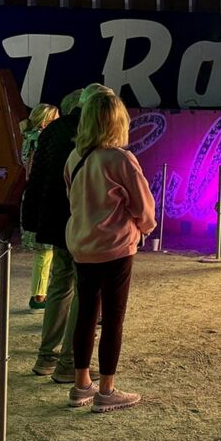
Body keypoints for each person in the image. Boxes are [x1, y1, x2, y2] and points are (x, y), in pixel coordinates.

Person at [64, 89, 155, 412]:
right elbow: (144, 206)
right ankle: (106, 390)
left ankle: (81, 384)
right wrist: (144, 229)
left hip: (82, 246)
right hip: (116, 248)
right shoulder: (121, 159)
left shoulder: (74, 157)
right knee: (113, 318)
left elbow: (72, 198)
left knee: (86, 314)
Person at [24, 84, 107, 383]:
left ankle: (46, 357)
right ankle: (70, 361)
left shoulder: (52, 130)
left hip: (54, 220)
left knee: (59, 285)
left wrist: (32, 219)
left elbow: (36, 177)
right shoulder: (91, 131)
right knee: (86, 291)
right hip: (81, 221)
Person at [20, 103, 59, 310]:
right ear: (46, 122)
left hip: (32, 194)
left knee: (44, 252)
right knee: (46, 252)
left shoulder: (28, 138)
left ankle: (39, 294)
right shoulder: (42, 138)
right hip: (45, 195)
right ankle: (40, 295)